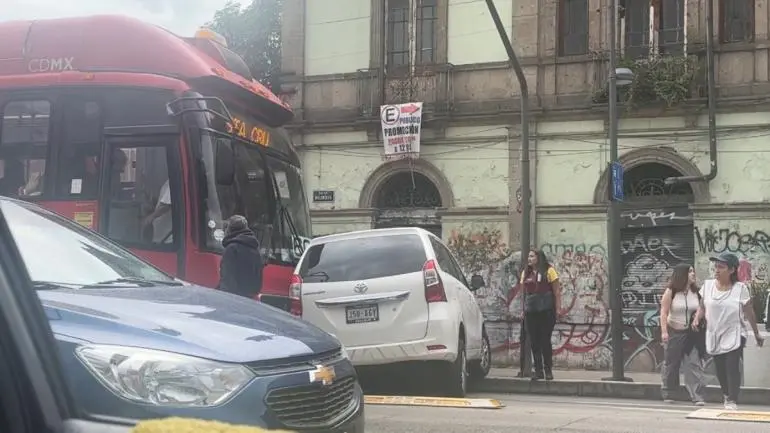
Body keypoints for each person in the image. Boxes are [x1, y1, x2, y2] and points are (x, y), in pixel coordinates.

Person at [693, 252, 765, 410]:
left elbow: (749, 311)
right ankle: (726, 394)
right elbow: (702, 305)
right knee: (720, 367)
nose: (716, 270)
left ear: (732, 270)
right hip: (714, 333)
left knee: (731, 365)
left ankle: (732, 399)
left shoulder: (740, 289)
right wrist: (697, 318)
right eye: (716, 266)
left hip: (735, 333)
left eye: (721, 267)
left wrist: (756, 333)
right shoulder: (708, 285)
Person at [660, 263, 706, 405]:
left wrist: (697, 318)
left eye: (693, 271)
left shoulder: (696, 292)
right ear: (682, 274)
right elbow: (663, 312)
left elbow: (701, 307)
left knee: (693, 363)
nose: (693, 274)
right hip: (674, 331)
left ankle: (696, 395)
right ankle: (669, 392)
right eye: (690, 271)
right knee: (671, 363)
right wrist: (664, 331)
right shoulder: (671, 292)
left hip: (691, 333)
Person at [520, 249, 562, 381]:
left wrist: (558, 308)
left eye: (532, 256)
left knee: (545, 340)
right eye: (529, 256)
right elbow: (524, 293)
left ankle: (548, 370)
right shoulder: (526, 272)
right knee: (534, 342)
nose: (529, 259)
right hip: (531, 311)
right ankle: (538, 371)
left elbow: (556, 291)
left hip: (546, 310)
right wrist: (523, 309)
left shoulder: (549, 271)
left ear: (539, 257)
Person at [217, 215, 263, 299]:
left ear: (229, 229)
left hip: (233, 300)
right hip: (250, 300)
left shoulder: (231, 249)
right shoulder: (255, 249)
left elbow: (227, 281)